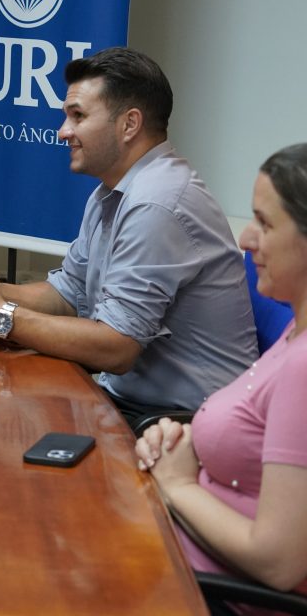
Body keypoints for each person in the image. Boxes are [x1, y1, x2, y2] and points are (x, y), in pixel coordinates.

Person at [0, 47, 256, 420]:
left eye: (78, 116)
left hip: (184, 422)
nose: (63, 132)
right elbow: (69, 293)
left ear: (129, 124)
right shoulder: (112, 192)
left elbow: (117, 348)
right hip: (130, 402)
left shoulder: (156, 203)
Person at [136, 144, 307, 614]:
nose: (246, 239)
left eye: (265, 224)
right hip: (184, 562)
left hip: (210, 596)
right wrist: (185, 440)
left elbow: (278, 563)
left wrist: (177, 485)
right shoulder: (296, 327)